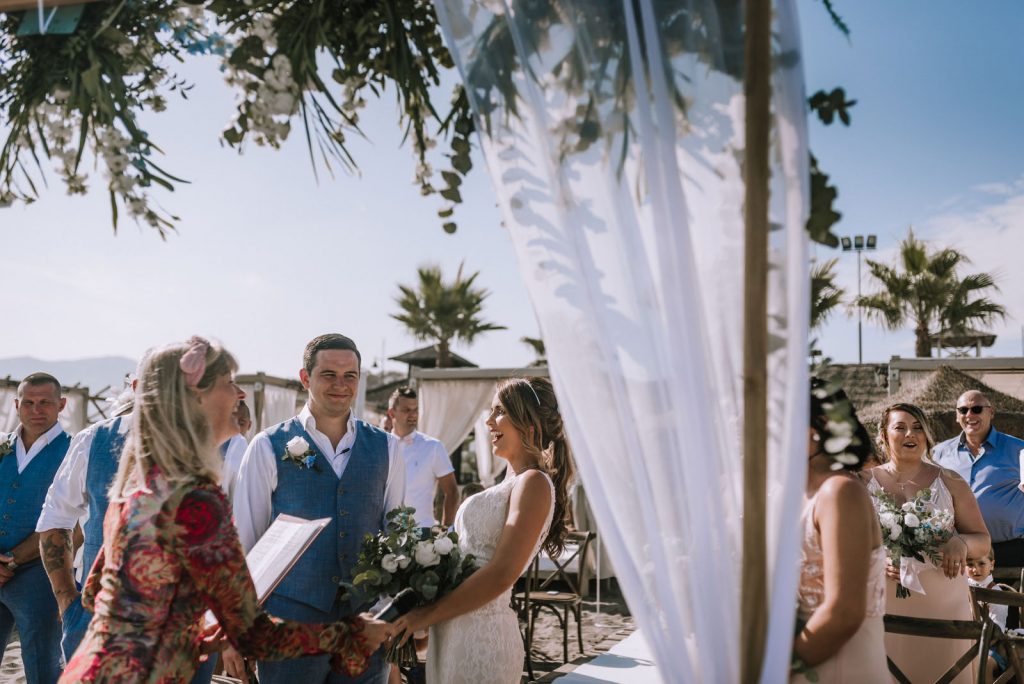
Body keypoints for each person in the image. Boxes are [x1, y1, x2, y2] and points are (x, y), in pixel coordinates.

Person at [60, 336, 392, 683]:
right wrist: (350, 634)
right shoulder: (194, 501)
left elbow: (95, 591)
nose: (241, 394)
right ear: (195, 399)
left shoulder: (138, 483)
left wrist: (188, 628)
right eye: (230, 383)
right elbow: (256, 636)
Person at [233, 333, 405, 684]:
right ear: (305, 378)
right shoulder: (267, 446)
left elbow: (397, 535)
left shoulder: (388, 448)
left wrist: (386, 615)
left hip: (365, 626)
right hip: (287, 629)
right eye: (328, 374)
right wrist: (237, 632)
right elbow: (244, 546)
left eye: (350, 376)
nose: (340, 385)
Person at [392, 377, 574, 684]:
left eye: (500, 411)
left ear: (528, 422)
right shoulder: (507, 484)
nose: (489, 421)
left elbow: (502, 574)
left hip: (482, 637)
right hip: (450, 633)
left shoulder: (533, 483)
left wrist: (427, 615)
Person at [864, 402, 990, 683]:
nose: (911, 433)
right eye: (900, 427)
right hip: (880, 604)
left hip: (942, 606)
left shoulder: (951, 481)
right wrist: (875, 558)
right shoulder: (861, 483)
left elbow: (983, 541)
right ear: (884, 436)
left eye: (918, 427)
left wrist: (962, 544)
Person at [791, 382, 888, 682]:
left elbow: (844, 612)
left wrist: (779, 666)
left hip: (837, 666)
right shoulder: (796, 495)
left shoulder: (839, 492)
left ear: (818, 427)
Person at [37, 385, 134, 665]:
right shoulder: (95, 439)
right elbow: (56, 517)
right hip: (99, 616)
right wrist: (68, 602)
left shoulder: (211, 444)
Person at [0, 373, 71, 684]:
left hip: (41, 574)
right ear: (16, 405)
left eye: (45, 403)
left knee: (42, 665)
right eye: (28, 402)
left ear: (62, 405)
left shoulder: (74, 450)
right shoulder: (3, 446)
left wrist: (13, 559)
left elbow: (75, 525)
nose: (36, 409)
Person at [933, 390, 1024, 565]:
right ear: (956, 416)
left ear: (991, 412)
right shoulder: (939, 453)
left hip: (1011, 550)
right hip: (958, 550)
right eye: (963, 410)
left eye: (976, 409)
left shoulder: (1020, 450)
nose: (969, 415)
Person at [388, 386, 458, 529]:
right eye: (407, 410)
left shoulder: (433, 447)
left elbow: (452, 491)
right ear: (391, 413)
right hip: (384, 533)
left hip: (422, 533)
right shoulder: (380, 445)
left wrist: (446, 531)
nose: (413, 415)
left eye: (415, 410)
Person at [221, 400, 251, 501]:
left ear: (249, 425)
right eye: (231, 421)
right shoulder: (237, 442)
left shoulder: (239, 443)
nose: (235, 428)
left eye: (241, 423)